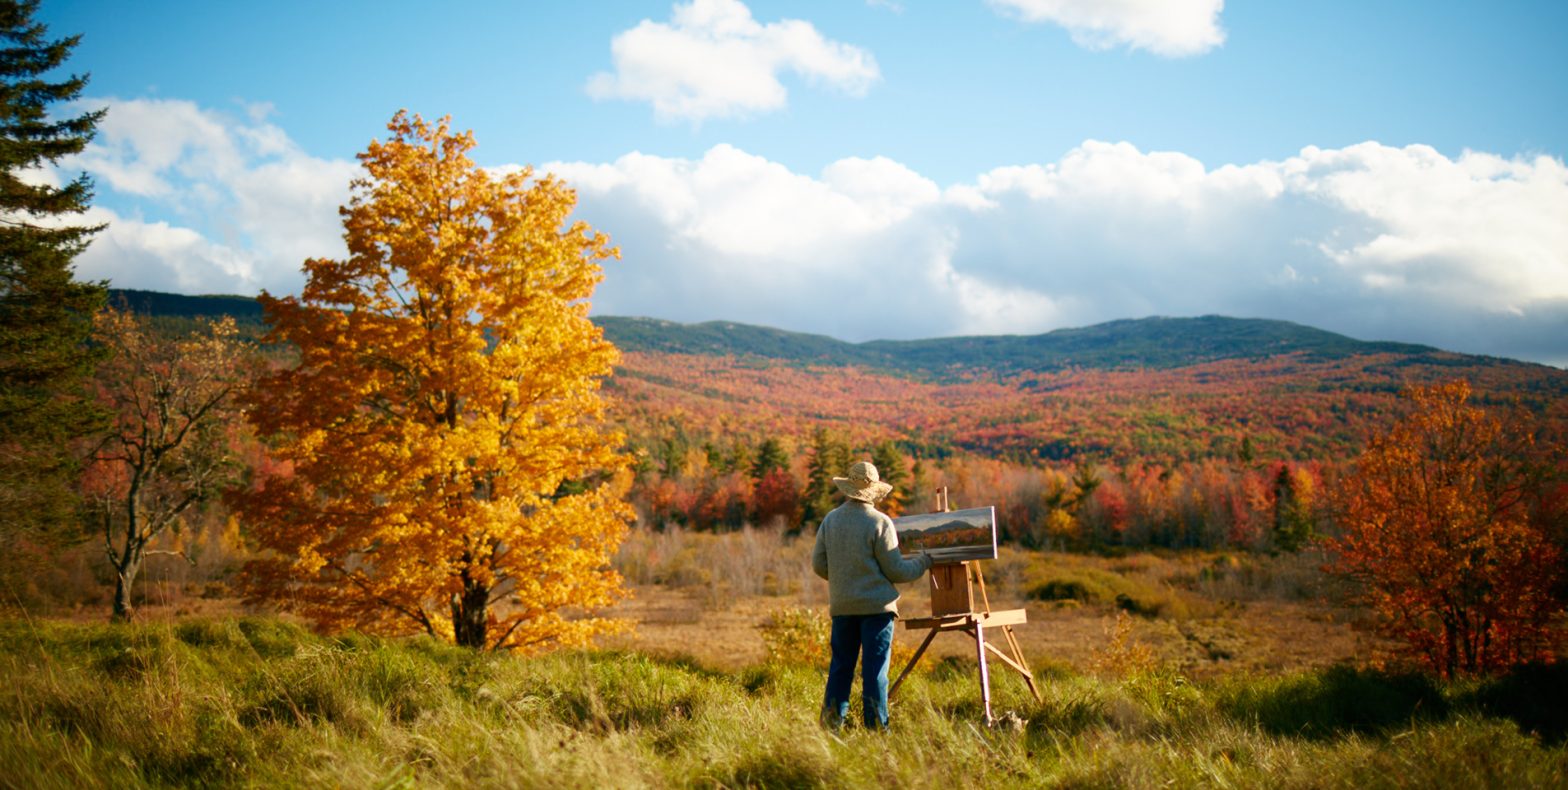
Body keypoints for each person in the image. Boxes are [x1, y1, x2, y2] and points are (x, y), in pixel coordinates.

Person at [811, 460, 933, 730]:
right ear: (873, 491)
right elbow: (897, 570)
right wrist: (924, 562)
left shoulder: (830, 520)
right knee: (875, 673)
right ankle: (877, 731)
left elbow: (818, 564)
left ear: (848, 487)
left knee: (841, 670)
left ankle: (831, 729)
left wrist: (845, 580)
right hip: (877, 610)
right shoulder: (880, 522)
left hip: (843, 608)